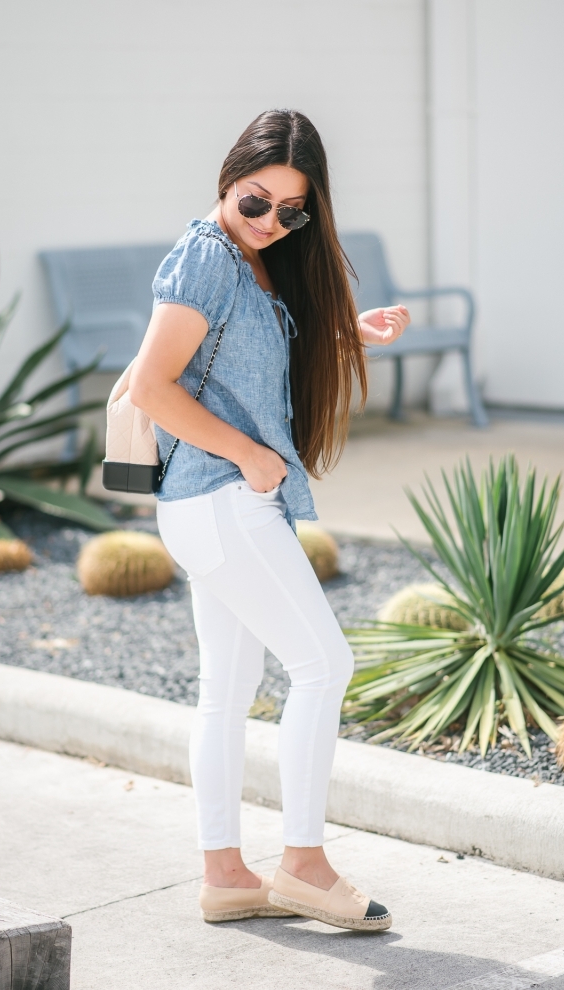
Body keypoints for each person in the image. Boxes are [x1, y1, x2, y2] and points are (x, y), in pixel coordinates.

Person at [130, 109, 410, 930]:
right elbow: (151, 385)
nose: (269, 221)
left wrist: (349, 331)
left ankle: (226, 875)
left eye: (292, 212)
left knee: (227, 691)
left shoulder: (251, 263)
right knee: (325, 665)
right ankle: (304, 866)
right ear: (228, 179)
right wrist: (251, 457)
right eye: (256, 200)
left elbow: (247, 358)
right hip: (223, 500)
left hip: (218, 506)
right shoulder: (204, 258)